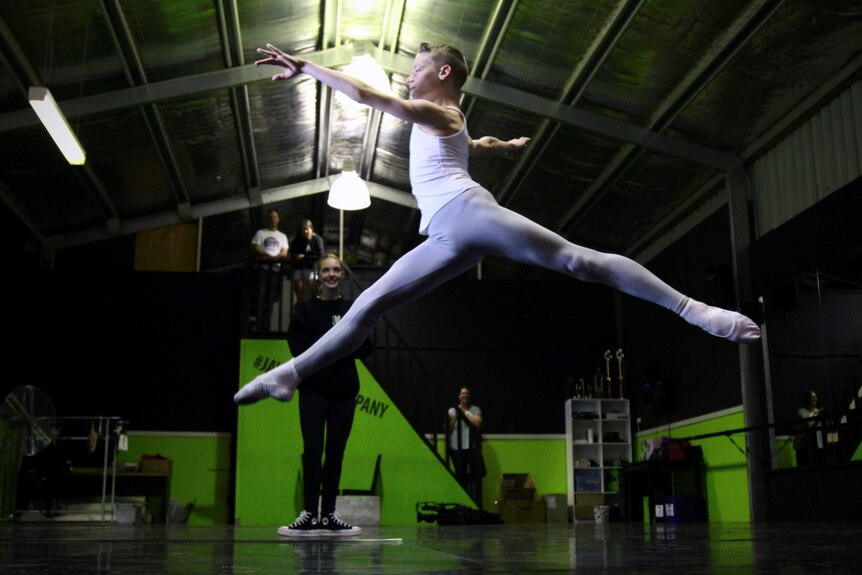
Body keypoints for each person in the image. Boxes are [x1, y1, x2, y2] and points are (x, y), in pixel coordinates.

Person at [235, 42, 761, 407]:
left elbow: (374, 99)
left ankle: (696, 311)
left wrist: (309, 68)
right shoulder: (453, 124)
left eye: (417, 67)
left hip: (466, 211)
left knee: (576, 260)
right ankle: (292, 373)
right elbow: (469, 143)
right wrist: (500, 145)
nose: (410, 74)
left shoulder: (440, 112)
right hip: (447, 234)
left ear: (442, 74)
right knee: (368, 305)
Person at [277, 253, 372, 538]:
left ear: (342, 274)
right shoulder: (305, 309)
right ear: (319, 275)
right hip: (313, 391)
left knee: (335, 453)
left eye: (336, 270)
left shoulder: (352, 308)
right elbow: (296, 345)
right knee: (313, 450)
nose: (331, 274)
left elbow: (366, 345)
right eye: (326, 270)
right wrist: (333, 347)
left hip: (344, 391)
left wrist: (334, 349)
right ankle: (309, 514)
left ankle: (329, 514)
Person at [251, 208, 289, 332]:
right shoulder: (260, 233)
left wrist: (273, 257)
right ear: (267, 219)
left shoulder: (282, 236)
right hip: (263, 269)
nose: (273, 219)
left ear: (278, 220)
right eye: (271, 217)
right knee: (261, 296)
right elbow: (255, 247)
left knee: (271, 298)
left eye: (275, 217)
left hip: (275, 271)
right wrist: (270, 256)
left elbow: (284, 252)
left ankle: (266, 325)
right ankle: (258, 325)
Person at [446, 387, 483, 489]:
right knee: (460, 474)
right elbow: (447, 429)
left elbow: (478, 423)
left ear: (469, 396)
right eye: (463, 393)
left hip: (471, 447)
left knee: (480, 471)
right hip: (456, 448)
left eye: (467, 393)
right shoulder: (452, 410)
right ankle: (464, 496)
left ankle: (467, 491)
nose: (465, 395)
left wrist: (465, 412)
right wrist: (454, 418)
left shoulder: (475, 409)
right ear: (459, 396)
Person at [290, 218, 325, 305]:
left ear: (311, 229)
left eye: (307, 229)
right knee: (300, 295)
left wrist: (305, 256)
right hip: (298, 269)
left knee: (308, 295)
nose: (305, 231)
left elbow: (319, 254)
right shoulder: (297, 239)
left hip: (311, 270)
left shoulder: (317, 239)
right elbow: (294, 253)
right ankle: (300, 312)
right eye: (303, 229)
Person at [794, 389, 823, 466]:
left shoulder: (817, 411)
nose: (815, 399)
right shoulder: (800, 412)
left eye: (815, 397)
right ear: (807, 399)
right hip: (802, 447)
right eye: (812, 397)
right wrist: (817, 416)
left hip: (816, 445)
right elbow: (809, 425)